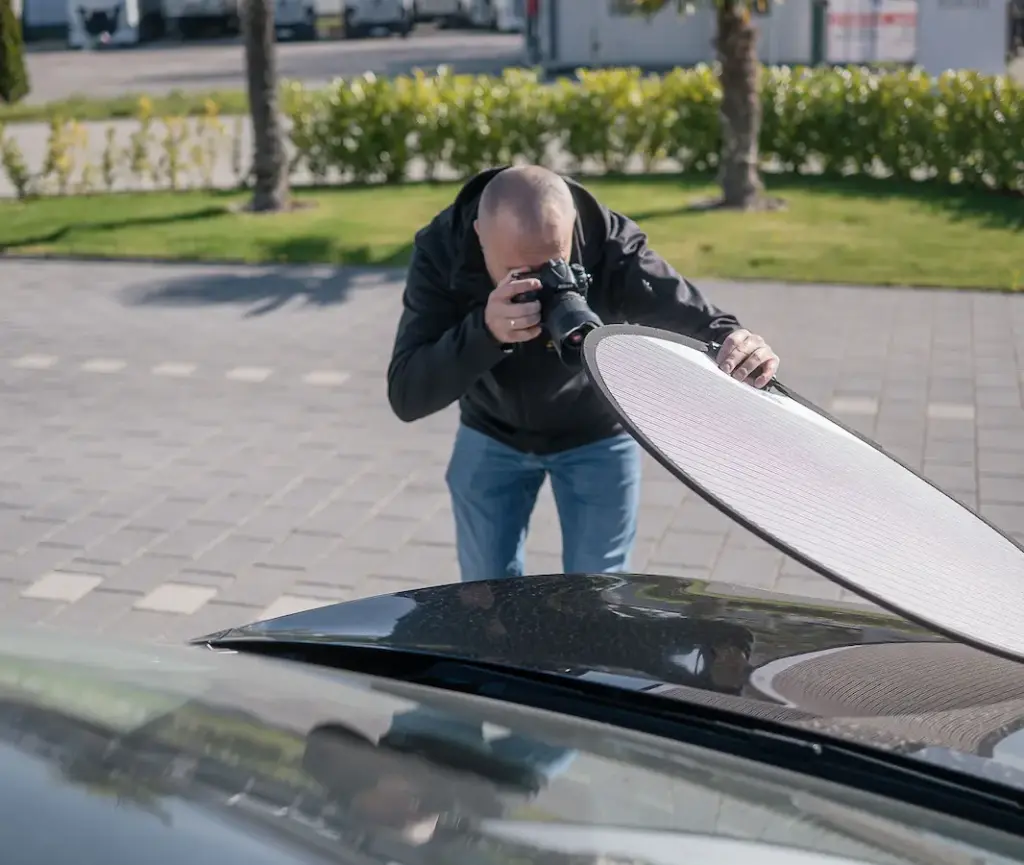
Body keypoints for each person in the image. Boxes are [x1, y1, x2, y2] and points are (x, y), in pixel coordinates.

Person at [387, 165, 779, 583]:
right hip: (490, 430)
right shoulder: (441, 247)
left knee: (599, 595)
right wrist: (485, 333)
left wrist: (735, 340)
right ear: (479, 232)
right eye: (518, 275)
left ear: (574, 230)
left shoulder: (608, 239)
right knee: (484, 595)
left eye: (556, 265)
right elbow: (407, 395)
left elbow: (692, 315)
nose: (541, 285)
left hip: (596, 433)